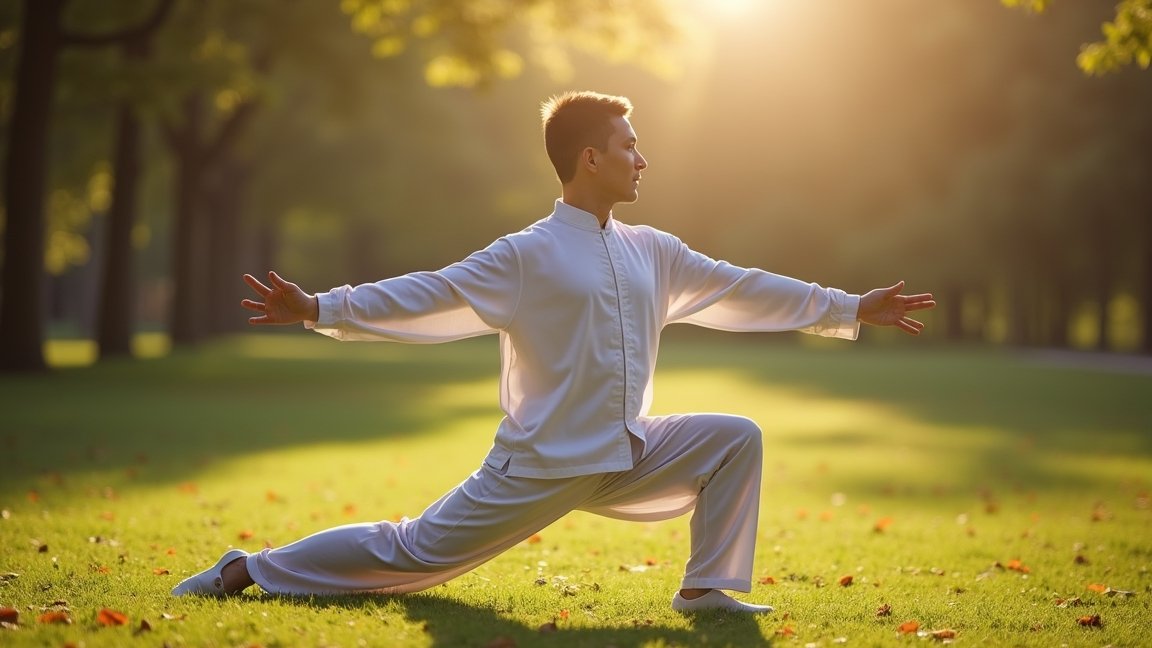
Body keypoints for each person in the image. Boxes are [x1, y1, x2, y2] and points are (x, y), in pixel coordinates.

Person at [172, 90, 935, 612]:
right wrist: (320, 307)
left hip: (627, 453)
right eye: (630, 146)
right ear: (589, 160)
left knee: (735, 438)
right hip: (539, 466)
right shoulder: (524, 255)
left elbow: (743, 285)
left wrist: (849, 307)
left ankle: (706, 589)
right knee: (410, 554)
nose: (644, 160)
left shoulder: (653, 250)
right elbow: (430, 290)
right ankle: (248, 569)